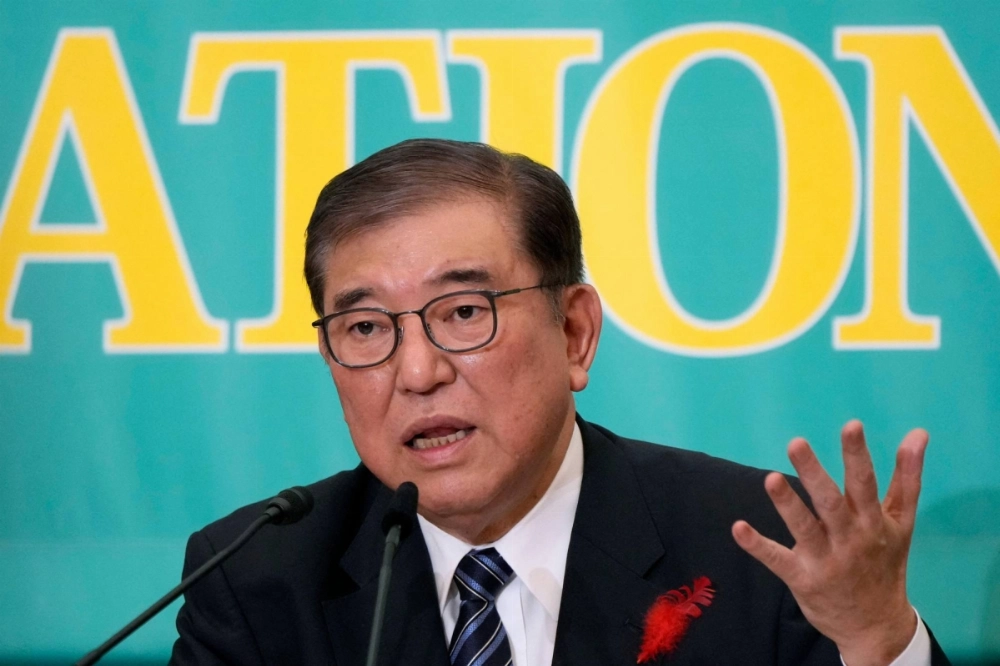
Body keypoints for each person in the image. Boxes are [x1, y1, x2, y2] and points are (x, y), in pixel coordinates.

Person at [171, 139, 950, 665]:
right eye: (367, 327)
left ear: (574, 333)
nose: (416, 371)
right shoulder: (258, 582)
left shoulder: (762, 554)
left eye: (464, 313)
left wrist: (878, 640)